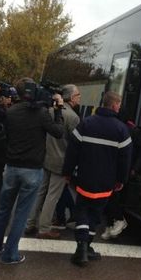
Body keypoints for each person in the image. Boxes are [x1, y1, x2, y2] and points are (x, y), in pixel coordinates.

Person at [0, 78, 64, 265]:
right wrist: (58, 109)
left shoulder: (10, 112)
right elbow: (58, 132)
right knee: (21, 213)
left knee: (3, 210)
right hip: (32, 168)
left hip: (11, 166)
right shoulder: (41, 113)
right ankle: (10, 254)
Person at [63, 91, 132, 267]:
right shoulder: (121, 129)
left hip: (84, 179)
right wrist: (121, 180)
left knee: (82, 212)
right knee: (94, 214)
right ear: (115, 105)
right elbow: (125, 159)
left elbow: (72, 150)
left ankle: (81, 247)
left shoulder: (86, 123)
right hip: (106, 183)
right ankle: (87, 247)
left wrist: (68, 172)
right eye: (119, 103)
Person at [25, 84, 81, 239]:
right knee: (53, 195)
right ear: (70, 97)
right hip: (61, 160)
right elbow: (75, 142)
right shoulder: (73, 117)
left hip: (46, 156)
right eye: (77, 95)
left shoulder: (49, 111)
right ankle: (44, 228)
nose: (79, 98)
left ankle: (29, 223)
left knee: (40, 192)